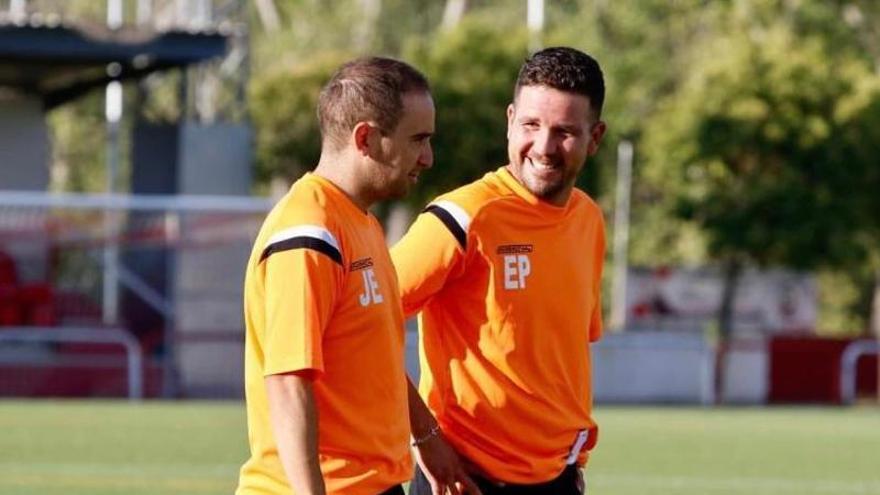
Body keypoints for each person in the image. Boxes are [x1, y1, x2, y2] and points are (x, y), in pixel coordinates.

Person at [392, 46, 608, 495]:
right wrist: (425, 437)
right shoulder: (461, 218)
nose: (544, 147)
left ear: (596, 136)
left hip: (558, 479)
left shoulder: (588, 219)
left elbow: (560, 358)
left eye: (564, 131)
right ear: (510, 120)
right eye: (531, 125)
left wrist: (572, 462)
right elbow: (357, 324)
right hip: (463, 479)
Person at [236, 56, 436, 495]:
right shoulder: (307, 233)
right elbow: (289, 382)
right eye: (418, 139)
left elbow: (368, 357)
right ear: (366, 138)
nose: (428, 156)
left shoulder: (359, 222)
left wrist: (426, 435)